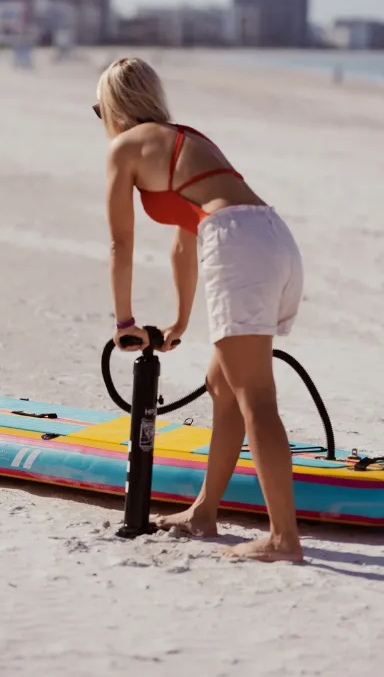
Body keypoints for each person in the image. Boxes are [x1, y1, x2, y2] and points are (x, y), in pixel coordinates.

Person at [98, 56, 305, 562]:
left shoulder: (126, 147)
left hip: (237, 243)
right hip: (271, 239)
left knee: (255, 394)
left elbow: (120, 244)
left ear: (113, 106)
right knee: (222, 384)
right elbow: (183, 244)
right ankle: (204, 512)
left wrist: (124, 322)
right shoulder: (182, 138)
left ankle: (283, 539)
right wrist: (180, 322)